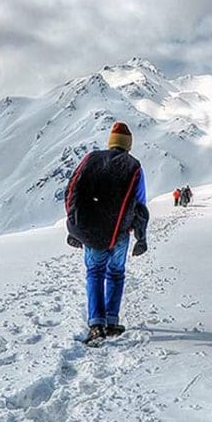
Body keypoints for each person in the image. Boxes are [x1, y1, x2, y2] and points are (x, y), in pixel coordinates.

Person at [65, 122, 149, 345]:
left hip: (92, 231)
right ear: (128, 145)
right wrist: (141, 235)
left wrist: (75, 227)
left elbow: (73, 192)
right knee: (115, 273)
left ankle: (96, 324)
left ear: (110, 142)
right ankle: (111, 321)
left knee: (94, 272)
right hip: (120, 232)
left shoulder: (92, 159)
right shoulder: (134, 166)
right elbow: (140, 203)